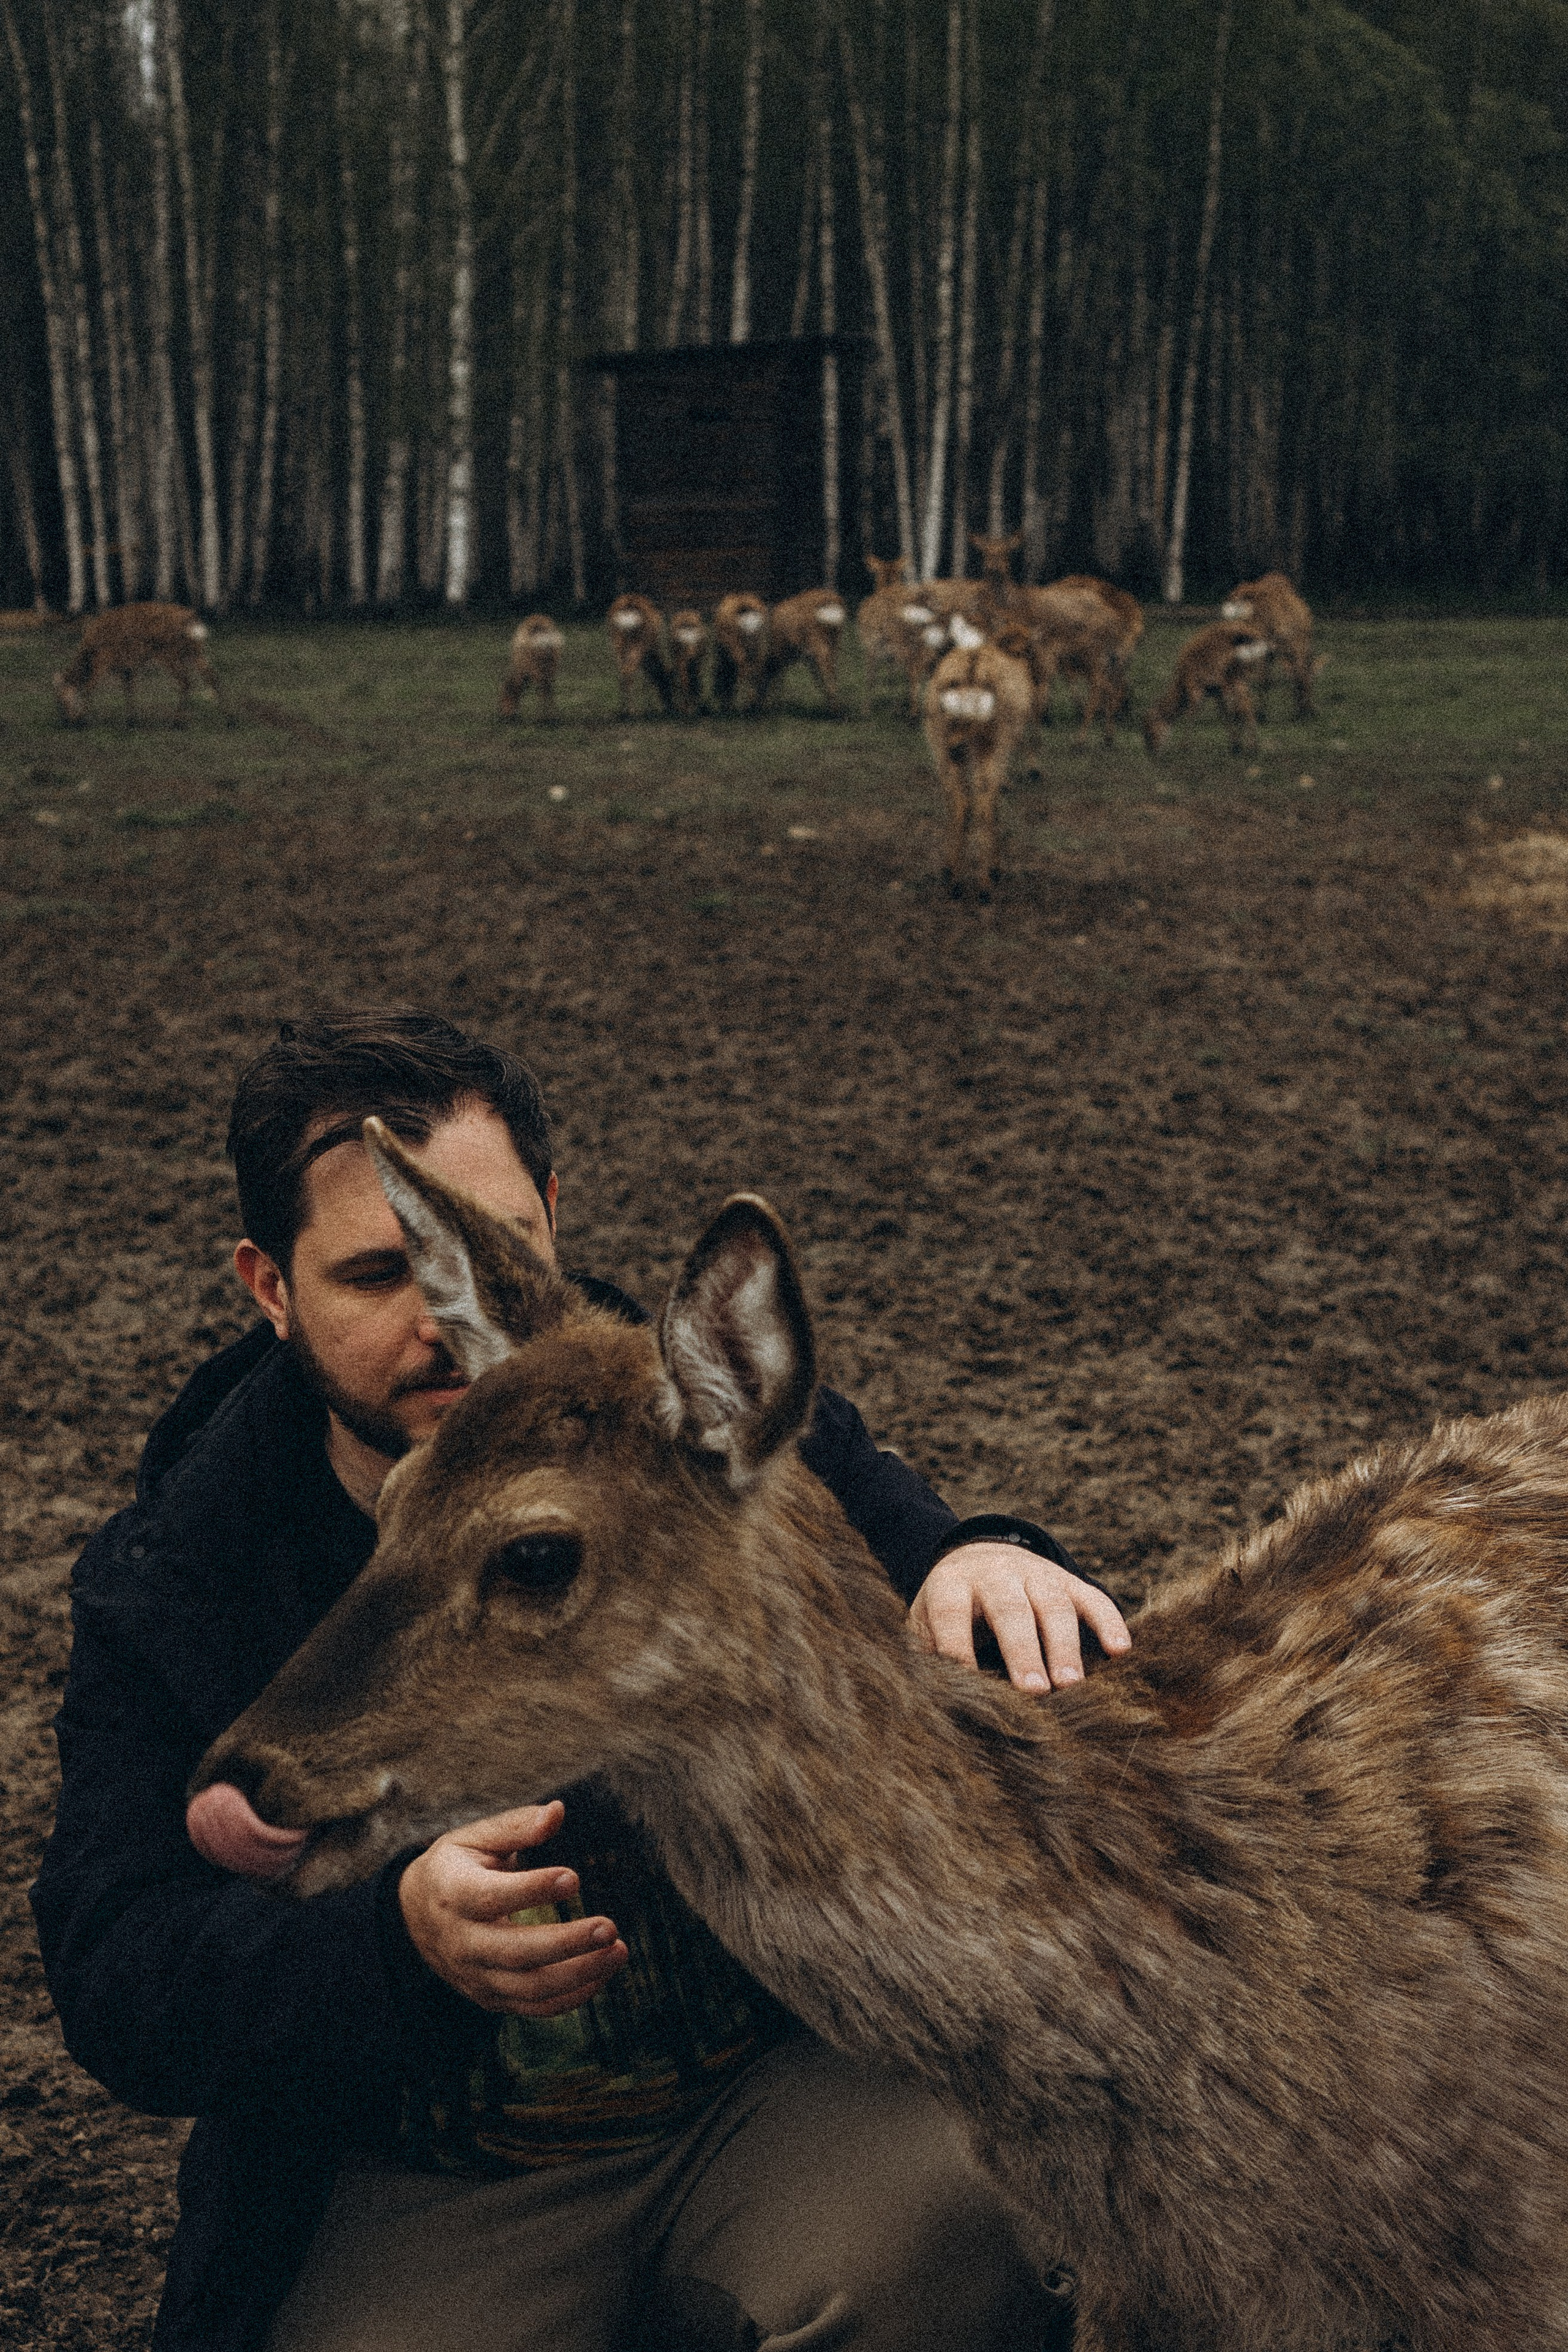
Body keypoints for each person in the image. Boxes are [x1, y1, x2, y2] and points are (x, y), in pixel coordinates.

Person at [31, 1011, 1131, 2352]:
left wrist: (989, 1551)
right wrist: (390, 1948)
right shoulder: (182, 1576)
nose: (445, 1325)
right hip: (440, 2166)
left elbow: (897, 1536)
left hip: (768, 2095)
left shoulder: (683, 1426)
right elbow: (120, 1975)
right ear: (270, 1288)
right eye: (378, 1276)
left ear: (536, 1226)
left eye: (474, 1259)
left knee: (992, 2230)